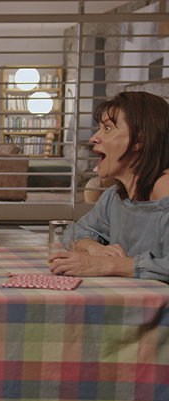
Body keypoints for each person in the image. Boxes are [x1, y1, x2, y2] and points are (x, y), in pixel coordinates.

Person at [49, 91, 169, 281]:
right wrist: (94, 248)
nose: (94, 138)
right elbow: (75, 231)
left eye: (107, 128)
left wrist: (107, 265)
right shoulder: (115, 198)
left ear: (140, 140)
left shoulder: (165, 193)